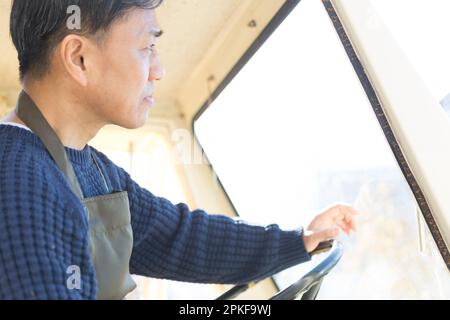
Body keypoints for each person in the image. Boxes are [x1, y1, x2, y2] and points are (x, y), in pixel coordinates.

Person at [0, 0, 358, 300]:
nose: (159, 69)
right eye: (147, 47)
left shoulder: (91, 168)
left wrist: (299, 241)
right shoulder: (19, 180)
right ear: (79, 59)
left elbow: (179, 239)